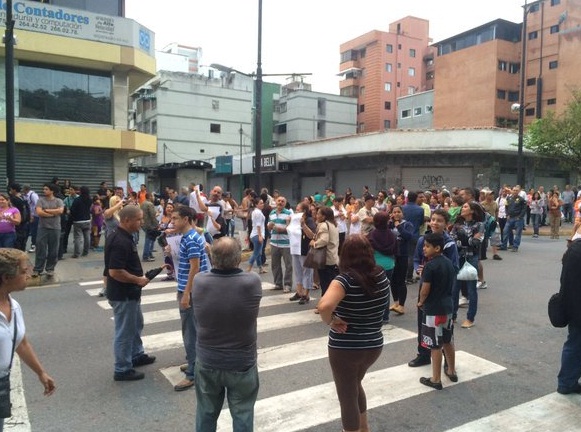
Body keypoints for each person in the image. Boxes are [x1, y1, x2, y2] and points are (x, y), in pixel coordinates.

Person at [317, 235, 390, 432]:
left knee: (347, 395)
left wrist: (330, 321)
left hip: (346, 348)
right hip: (373, 344)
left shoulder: (344, 280)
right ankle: (364, 428)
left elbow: (324, 305)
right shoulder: (380, 274)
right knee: (355, 385)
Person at [192, 237, 262, 431]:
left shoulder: (199, 281)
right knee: (243, 414)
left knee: (206, 412)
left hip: (208, 360)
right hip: (241, 361)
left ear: (212, 259)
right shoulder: (252, 282)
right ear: (238, 258)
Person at [0, 249, 56, 431]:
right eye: (23, 271)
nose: (29, 275)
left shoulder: (14, 306)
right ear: (6, 277)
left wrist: (41, 373)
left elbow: (21, 343)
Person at [104, 206, 157, 381]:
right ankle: (122, 368)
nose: (141, 222)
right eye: (139, 219)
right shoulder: (120, 240)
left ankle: (136, 355)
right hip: (123, 294)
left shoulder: (124, 237)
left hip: (129, 293)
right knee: (125, 332)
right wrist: (137, 280)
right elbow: (114, 271)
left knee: (135, 324)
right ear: (127, 220)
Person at [409, 209, 459, 368]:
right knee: (422, 322)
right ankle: (423, 354)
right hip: (425, 286)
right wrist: (419, 269)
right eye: (433, 219)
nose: (435, 223)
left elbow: (454, 266)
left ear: (446, 224)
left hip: (443, 291)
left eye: (439, 220)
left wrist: (435, 271)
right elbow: (417, 259)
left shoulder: (449, 243)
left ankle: (446, 360)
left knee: (445, 326)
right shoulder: (423, 240)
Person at [170, 205, 210, 391]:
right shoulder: (189, 237)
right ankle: (195, 362)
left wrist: (186, 293)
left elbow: (195, 267)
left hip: (191, 290)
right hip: (189, 288)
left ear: (186, 219)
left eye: (176, 218)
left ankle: (193, 372)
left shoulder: (191, 239)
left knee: (190, 331)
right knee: (193, 329)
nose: (173, 221)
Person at [417, 233, 457, 390]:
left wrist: (421, 301)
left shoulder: (430, 266)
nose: (424, 249)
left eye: (427, 246)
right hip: (447, 307)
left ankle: (435, 379)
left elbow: (425, 289)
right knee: (448, 340)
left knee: (435, 345)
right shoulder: (448, 263)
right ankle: (452, 370)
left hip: (433, 309)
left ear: (437, 248)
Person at [451, 202, 485, 329]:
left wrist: (464, 239)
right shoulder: (457, 225)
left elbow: (477, 242)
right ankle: (452, 315)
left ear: (472, 211)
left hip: (472, 258)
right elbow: (453, 240)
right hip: (458, 258)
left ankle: (470, 318)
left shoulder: (479, 225)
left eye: (465, 207)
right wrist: (467, 240)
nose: (462, 208)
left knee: (471, 290)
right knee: (454, 288)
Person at [557, 238, 581, 394]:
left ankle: (566, 381)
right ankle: (566, 382)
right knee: (575, 345)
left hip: (573, 306)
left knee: (574, 344)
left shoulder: (574, 249)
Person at [33, 184, 64, 278]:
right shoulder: (40, 200)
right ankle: (38, 269)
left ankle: (50, 269)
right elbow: (39, 212)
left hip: (55, 228)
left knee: (53, 250)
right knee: (40, 248)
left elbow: (60, 211)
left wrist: (46, 210)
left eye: (46, 189)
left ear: (52, 191)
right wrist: (52, 213)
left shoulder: (59, 201)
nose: (44, 190)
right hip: (43, 227)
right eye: (44, 189)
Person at [388, 205, 414, 317]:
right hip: (393, 255)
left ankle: (402, 306)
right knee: (393, 280)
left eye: (398, 212)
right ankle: (396, 303)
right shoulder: (390, 224)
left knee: (401, 280)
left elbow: (408, 236)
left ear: (402, 213)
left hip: (403, 255)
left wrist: (399, 227)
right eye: (394, 212)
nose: (396, 214)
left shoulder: (407, 224)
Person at [289, 202, 317, 304]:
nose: (296, 211)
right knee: (298, 271)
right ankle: (299, 292)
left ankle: (306, 294)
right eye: (296, 210)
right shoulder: (294, 219)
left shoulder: (309, 220)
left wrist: (303, 225)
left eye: (298, 210)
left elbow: (312, 235)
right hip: (295, 248)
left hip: (305, 249)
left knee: (307, 272)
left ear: (304, 211)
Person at [311, 206, 339, 296]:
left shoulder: (323, 225)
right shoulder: (333, 224)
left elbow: (324, 240)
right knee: (330, 283)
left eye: (319, 213)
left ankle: (325, 304)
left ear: (324, 216)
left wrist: (314, 243)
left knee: (325, 283)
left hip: (325, 258)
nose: (316, 215)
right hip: (333, 257)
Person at [268, 196, 293, 292]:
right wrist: (269, 227)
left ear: (285, 203)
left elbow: (291, 227)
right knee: (275, 265)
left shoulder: (289, 213)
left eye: (283, 201)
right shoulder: (272, 213)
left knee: (288, 265)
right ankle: (278, 284)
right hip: (274, 242)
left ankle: (287, 284)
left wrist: (282, 230)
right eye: (279, 201)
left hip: (286, 243)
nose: (280, 202)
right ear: (275, 202)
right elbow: (269, 226)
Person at [500, 185, 526, 252]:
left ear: (519, 191)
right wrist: (507, 214)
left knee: (518, 233)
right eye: (514, 190)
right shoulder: (509, 198)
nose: (515, 192)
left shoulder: (521, 199)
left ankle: (515, 246)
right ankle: (504, 246)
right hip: (510, 218)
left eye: (516, 190)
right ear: (512, 191)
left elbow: (524, 209)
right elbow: (506, 207)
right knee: (505, 231)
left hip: (518, 219)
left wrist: (520, 217)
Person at [70, 186, 92, 258]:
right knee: (87, 237)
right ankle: (85, 252)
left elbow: (72, 210)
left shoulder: (77, 200)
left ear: (81, 191)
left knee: (77, 238)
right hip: (87, 220)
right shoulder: (89, 199)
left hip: (78, 221)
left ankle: (77, 254)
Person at [246, 198, 266, 274]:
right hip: (257, 235)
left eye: (262, 203)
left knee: (258, 253)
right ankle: (249, 268)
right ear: (256, 204)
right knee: (256, 253)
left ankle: (260, 268)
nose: (262, 204)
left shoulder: (255, 212)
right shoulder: (258, 213)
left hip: (254, 235)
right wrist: (260, 236)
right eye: (260, 203)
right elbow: (258, 225)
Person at [140, 193, 158, 262]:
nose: (153, 197)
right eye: (153, 196)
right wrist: (156, 224)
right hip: (149, 224)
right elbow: (153, 215)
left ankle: (149, 254)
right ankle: (146, 256)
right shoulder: (150, 204)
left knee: (149, 239)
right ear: (150, 197)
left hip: (144, 224)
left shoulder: (143, 203)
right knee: (148, 240)